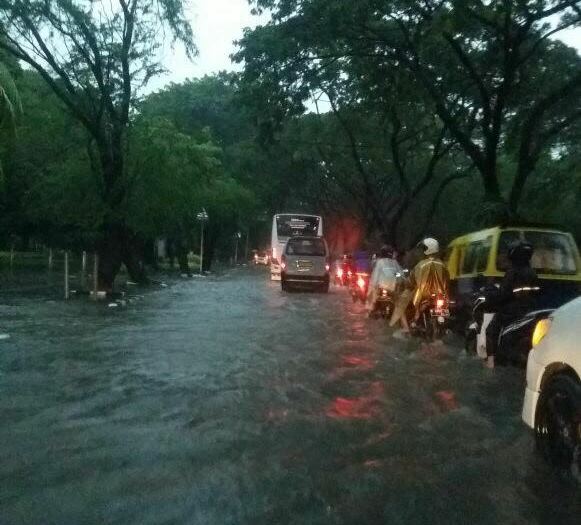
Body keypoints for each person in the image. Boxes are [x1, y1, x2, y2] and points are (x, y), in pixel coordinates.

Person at [485, 242, 539, 369]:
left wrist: (491, 296)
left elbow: (503, 294)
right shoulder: (532, 273)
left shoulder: (512, 272)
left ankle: (490, 363)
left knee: (490, 330)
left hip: (511, 312)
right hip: (529, 311)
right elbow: (537, 291)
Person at [410, 237, 450, 322]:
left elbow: (412, 278)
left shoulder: (420, 265)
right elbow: (448, 279)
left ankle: (416, 318)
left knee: (415, 302)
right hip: (441, 294)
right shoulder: (443, 265)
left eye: (423, 249)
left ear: (426, 250)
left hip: (424, 294)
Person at [366, 245, 401, 315]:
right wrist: (396, 277)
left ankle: (369, 311)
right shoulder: (394, 262)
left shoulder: (380, 262)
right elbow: (400, 274)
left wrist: (373, 284)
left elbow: (375, 275)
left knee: (371, 293)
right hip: (392, 287)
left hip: (381, 286)